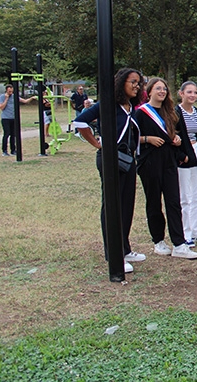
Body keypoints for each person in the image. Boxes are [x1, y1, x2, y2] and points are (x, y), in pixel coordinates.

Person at [73, 68, 146, 274]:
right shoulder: (108, 105)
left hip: (128, 160)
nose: (136, 86)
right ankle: (113, 253)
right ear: (121, 82)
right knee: (112, 205)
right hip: (110, 160)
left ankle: (124, 248)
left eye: (139, 83)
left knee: (126, 204)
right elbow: (80, 122)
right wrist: (97, 144)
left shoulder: (130, 107)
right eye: (132, 81)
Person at [135, 77, 197, 260]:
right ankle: (158, 241)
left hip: (169, 162)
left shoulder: (170, 113)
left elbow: (175, 135)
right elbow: (131, 138)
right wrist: (147, 139)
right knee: (154, 202)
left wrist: (177, 141)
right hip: (149, 162)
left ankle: (179, 244)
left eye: (164, 89)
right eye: (158, 88)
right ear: (149, 91)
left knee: (173, 201)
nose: (162, 91)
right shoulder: (141, 113)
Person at [175, 81, 197, 247]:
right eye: (189, 92)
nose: (192, 95)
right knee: (185, 197)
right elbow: (173, 135)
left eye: (195, 92)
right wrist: (182, 155)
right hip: (184, 157)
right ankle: (186, 232)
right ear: (181, 93)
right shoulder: (175, 113)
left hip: (196, 154)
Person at [0, 85, 34, 156]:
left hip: (14, 118)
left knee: (13, 134)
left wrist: (32, 98)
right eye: (9, 91)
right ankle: (4, 151)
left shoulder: (14, 96)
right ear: (6, 90)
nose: (10, 93)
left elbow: (24, 101)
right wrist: (6, 99)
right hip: (5, 118)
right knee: (7, 134)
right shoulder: (2, 97)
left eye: (11, 91)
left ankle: (13, 150)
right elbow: (1, 107)